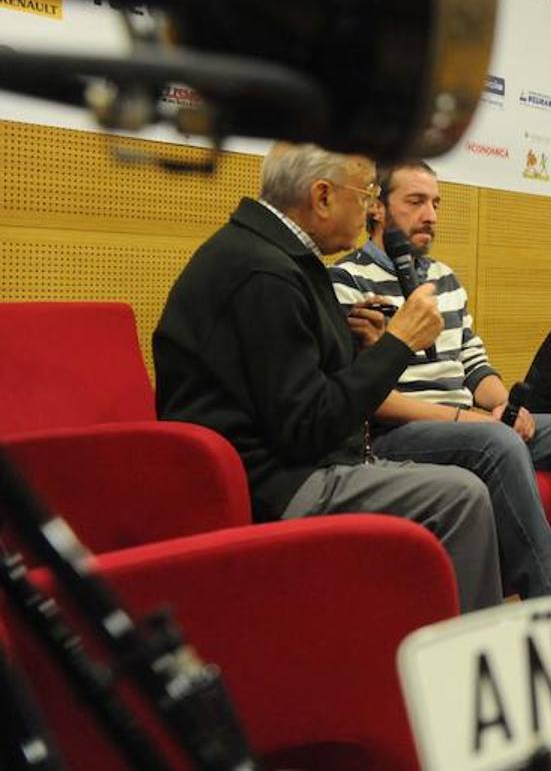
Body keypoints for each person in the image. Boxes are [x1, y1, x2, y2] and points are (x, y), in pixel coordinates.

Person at [154, 143, 502, 612]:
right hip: (273, 484)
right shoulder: (265, 272)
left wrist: (361, 349)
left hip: (299, 463)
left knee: (460, 486)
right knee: (461, 497)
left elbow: (301, 386)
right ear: (322, 197)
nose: (369, 210)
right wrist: (399, 343)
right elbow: (307, 427)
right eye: (365, 195)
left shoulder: (276, 256)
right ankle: (465, 655)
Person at [329, 160, 551, 597]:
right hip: (399, 432)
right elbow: (370, 398)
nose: (430, 215)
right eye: (416, 202)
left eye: (436, 203)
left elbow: (474, 362)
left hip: (465, 422)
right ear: (378, 209)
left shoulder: (444, 278)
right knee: (495, 440)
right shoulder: (347, 280)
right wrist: (472, 421)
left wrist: (503, 405)